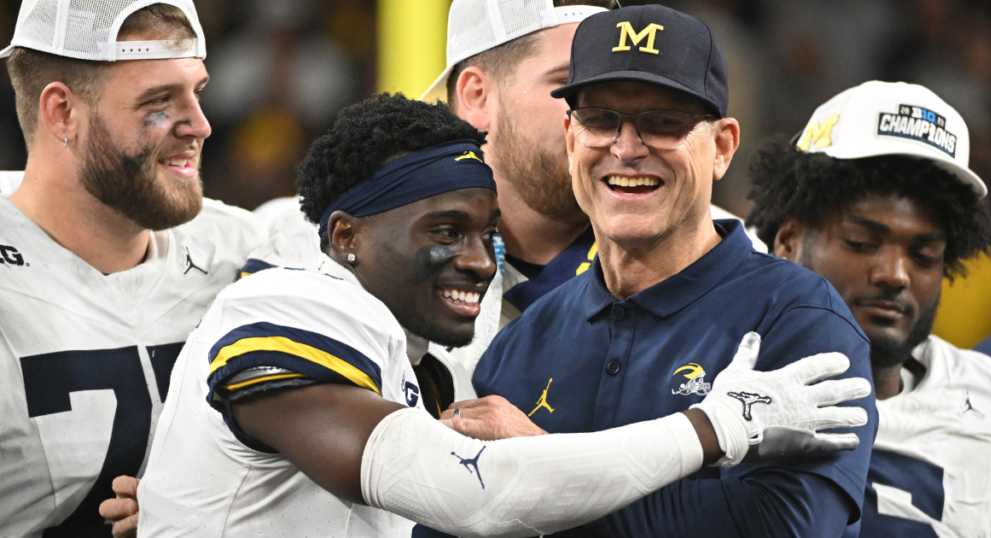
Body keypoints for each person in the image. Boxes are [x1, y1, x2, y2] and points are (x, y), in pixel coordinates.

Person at [137, 93, 870, 537]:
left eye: (488, 234)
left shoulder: (423, 368)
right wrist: (713, 426)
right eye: (445, 232)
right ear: (345, 236)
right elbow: (474, 494)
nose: (484, 262)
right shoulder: (292, 304)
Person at [470, 5, 877, 537]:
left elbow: (782, 527)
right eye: (600, 120)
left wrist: (536, 469)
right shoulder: (518, 345)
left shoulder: (802, 321)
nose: (627, 148)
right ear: (572, 139)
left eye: (664, 123)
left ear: (723, 147)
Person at [247, 0, 765, 371]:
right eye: (573, 88)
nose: (612, 125)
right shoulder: (315, 240)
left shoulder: (727, 257)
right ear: (476, 96)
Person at [0, 2, 265, 537]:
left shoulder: (246, 251)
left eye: (198, 92)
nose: (200, 125)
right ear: (61, 113)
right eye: (159, 101)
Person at [746, 80, 991, 537]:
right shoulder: (706, 366)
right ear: (788, 241)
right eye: (862, 243)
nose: (895, 274)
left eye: (924, 256)